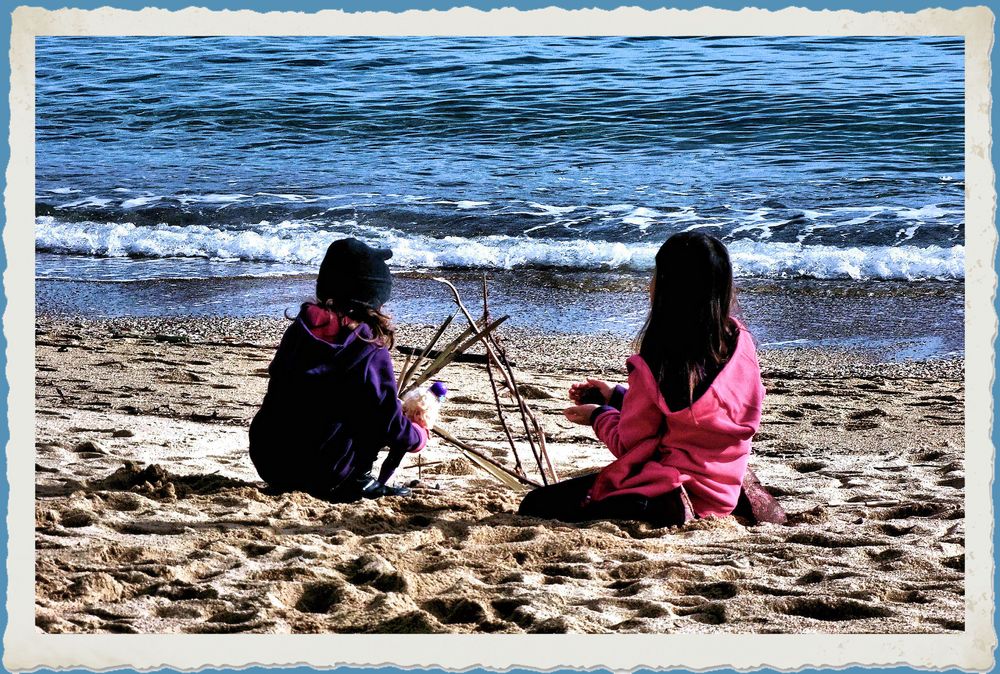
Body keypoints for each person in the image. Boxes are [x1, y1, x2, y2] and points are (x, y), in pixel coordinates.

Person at [518, 232, 765, 526]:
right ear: (724, 287)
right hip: (724, 488)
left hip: (673, 491)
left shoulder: (659, 358)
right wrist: (618, 397)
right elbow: (690, 420)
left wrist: (598, 416)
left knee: (535, 503)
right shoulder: (741, 345)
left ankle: (669, 508)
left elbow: (631, 445)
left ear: (666, 289)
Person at [248, 237, 427, 502]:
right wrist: (417, 437)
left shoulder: (300, 329)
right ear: (373, 297)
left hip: (271, 460)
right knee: (371, 410)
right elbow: (388, 421)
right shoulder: (368, 346)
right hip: (327, 472)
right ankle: (358, 481)